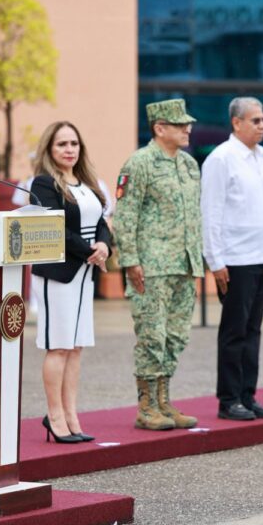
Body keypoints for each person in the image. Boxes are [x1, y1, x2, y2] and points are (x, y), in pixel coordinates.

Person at [113, 99, 203, 430]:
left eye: (187, 124)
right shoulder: (139, 164)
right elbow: (125, 216)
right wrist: (131, 261)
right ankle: (147, 405)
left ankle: (165, 400)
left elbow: (196, 216)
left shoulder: (190, 165)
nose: (187, 129)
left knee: (176, 336)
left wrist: (198, 259)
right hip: (151, 265)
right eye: (180, 125)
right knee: (152, 335)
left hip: (183, 263)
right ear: (159, 128)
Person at [30, 121, 112, 443]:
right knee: (59, 346)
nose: (69, 150)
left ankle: (72, 414)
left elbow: (102, 221)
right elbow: (53, 229)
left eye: (74, 144)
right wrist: (91, 251)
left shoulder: (87, 183)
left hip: (84, 273)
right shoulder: (44, 183)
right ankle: (55, 416)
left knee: (76, 348)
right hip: (58, 273)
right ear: (50, 148)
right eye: (62, 144)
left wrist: (104, 245)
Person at [201, 97, 263, 421]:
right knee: (235, 331)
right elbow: (211, 212)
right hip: (235, 257)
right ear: (236, 123)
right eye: (255, 120)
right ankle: (229, 399)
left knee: (253, 330)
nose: (262, 125)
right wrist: (215, 260)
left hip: (262, 254)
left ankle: (248, 395)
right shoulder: (221, 158)